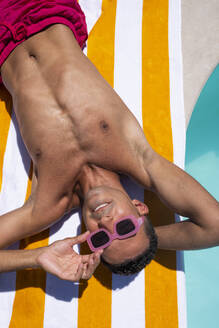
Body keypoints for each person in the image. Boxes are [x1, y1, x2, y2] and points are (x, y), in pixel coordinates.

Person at [0, 0, 219, 280]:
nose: (106, 223)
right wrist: (147, 237)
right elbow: (215, 225)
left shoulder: (48, 204)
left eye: (101, 239)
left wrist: (36, 257)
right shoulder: (137, 158)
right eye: (125, 227)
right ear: (140, 208)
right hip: (45, 9)